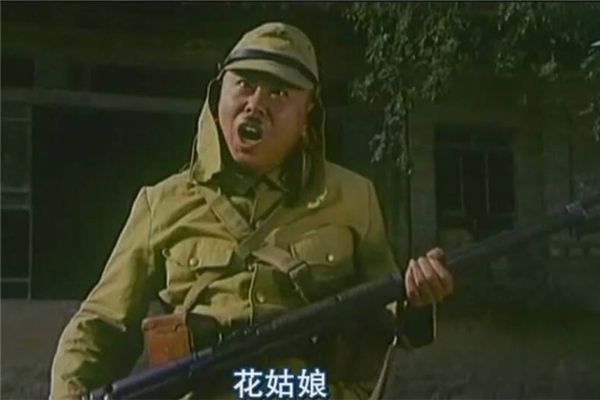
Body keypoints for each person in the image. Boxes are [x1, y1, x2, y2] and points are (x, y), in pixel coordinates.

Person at [50, 22, 453, 399]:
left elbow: (384, 313)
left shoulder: (353, 196)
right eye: (243, 85)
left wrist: (417, 298)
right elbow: (102, 325)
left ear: (307, 115)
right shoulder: (161, 202)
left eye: (279, 94)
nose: (255, 105)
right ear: (218, 96)